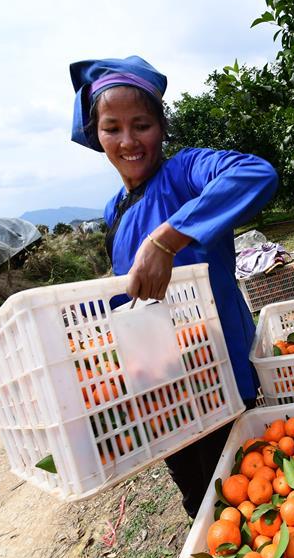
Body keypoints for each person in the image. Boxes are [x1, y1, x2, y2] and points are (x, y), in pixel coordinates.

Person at [70, 55, 278, 517]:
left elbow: (256, 174)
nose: (128, 141)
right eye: (112, 128)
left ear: (161, 127)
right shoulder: (112, 209)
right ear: (95, 134)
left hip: (218, 370)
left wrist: (167, 239)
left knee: (247, 494)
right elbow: (134, 286)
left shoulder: (185, 173)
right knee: (196, 497)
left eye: (141, 124)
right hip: (162, 382)